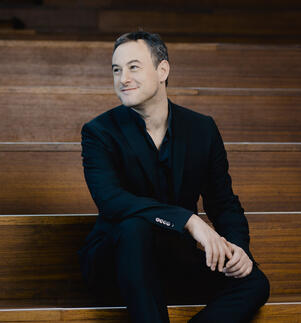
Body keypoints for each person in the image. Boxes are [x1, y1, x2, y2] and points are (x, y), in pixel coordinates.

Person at [78, 31, 269, 323]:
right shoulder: (99, 132)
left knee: (253, 281)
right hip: (118, 266)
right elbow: (112, 202)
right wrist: (189, 221)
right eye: (116, 70)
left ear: (162, 70)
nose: (123, 79)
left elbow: (223, 203)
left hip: (174, 260)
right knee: (133, 227)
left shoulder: (202, 129)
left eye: (133, 67)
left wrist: (238, 247)